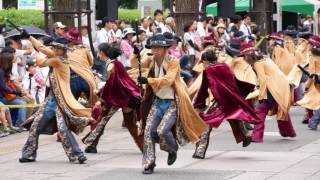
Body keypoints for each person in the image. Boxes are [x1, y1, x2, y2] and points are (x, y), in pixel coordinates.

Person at [135, 34, 208, 174]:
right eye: (153, 48)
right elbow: (135, 63)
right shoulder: (151, 60)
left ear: (164, 48)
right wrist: (135, 53)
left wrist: (149, 80)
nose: (155, 50)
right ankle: (149, 163)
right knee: (149, 132)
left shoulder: (173, 61)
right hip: (157, 102)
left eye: (158, 48)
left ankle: (172, 149)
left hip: (172, 102)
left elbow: (168, 80)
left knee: (162, 130)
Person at [20, 35, 94, 164]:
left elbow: (40, 62)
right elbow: (46, 52)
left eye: (57, 48)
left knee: (63, 129)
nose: (54, 49)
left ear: (62, 50)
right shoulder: (58, 58)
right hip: (51, 100)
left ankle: (77, 154)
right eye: (54, 47)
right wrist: (33, 40)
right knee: (36, 126)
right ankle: (28, 154)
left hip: (60, 102)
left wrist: (35, 47)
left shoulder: (59, 61)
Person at [82, 43, 143, 153]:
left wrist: (99, 93)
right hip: (126, 96)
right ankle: (144, 147)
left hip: (118, 98)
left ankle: (92, 144)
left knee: (102, 120)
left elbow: (111, 84)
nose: (98, 55)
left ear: (102, 53)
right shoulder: (117, 63)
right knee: (129, 124)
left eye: (99, 52)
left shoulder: (111, 65)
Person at [242, 43, 296, 143]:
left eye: (245, 56)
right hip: (282, 87)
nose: (244, 58)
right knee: (281, 110)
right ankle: (288, 132)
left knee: (260, 111)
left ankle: (256, 136)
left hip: (273, 88)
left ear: (251, 56)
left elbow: (263, 80)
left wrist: (262, 96)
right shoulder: (266, 59)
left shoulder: (258, 64)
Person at [297, 35, 320, 130]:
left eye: (310, 44)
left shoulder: (313, 56)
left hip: (317, 82)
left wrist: (307, 86)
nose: (308, 45)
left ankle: (313, 120)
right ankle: (311, 119)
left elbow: (312, 74)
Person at [0, 52, 27, 127]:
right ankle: (21, 124)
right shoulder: (1, 72)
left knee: (24, 101)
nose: (12, 63)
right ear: (7, 62)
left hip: (5, 97)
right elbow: (3, 87)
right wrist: (16, 93)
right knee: (22, 103)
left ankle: (17, 124)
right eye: (11, 61)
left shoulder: (4, 72)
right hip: (2, 98)